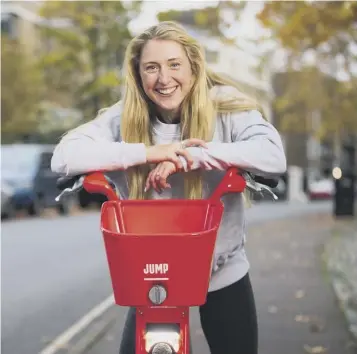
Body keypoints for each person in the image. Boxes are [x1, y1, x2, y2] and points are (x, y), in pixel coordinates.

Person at [51, 21, 286, 354]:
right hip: (152, 277)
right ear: (138, 74)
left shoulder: (224, 106)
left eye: (174, 65)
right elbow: (63, 156)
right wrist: (146, 152)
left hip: (220, 269)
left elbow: (273, 154)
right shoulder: (126, 116)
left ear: (193, 67)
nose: (164, 79)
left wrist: (192, 156)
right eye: (151, 68)